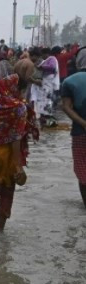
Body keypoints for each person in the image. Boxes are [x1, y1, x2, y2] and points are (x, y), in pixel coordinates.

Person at [0, 74, 39, 232]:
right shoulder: (19, 108)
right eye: (22, 91)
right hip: (8, 154)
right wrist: (18, 166)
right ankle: (0, 230)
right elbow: (15, 139)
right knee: (7, 191)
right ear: (16, 89)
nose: (23, 94)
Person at [60, 47, 86, 208]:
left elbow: (66, 107)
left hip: (80, 133)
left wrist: (83, 123)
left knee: (83, 173)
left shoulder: (69, 81)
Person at [30, 47, 60, 127]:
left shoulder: (52, 59)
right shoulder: (47, 60)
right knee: (44, 101)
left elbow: (52, 67)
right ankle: (44, 118)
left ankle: (48, 118)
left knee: (47, 101)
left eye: (42, 55)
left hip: (49, 84)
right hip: (45, 85)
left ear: (46, 54)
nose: (42, 57)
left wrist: (42, 67)